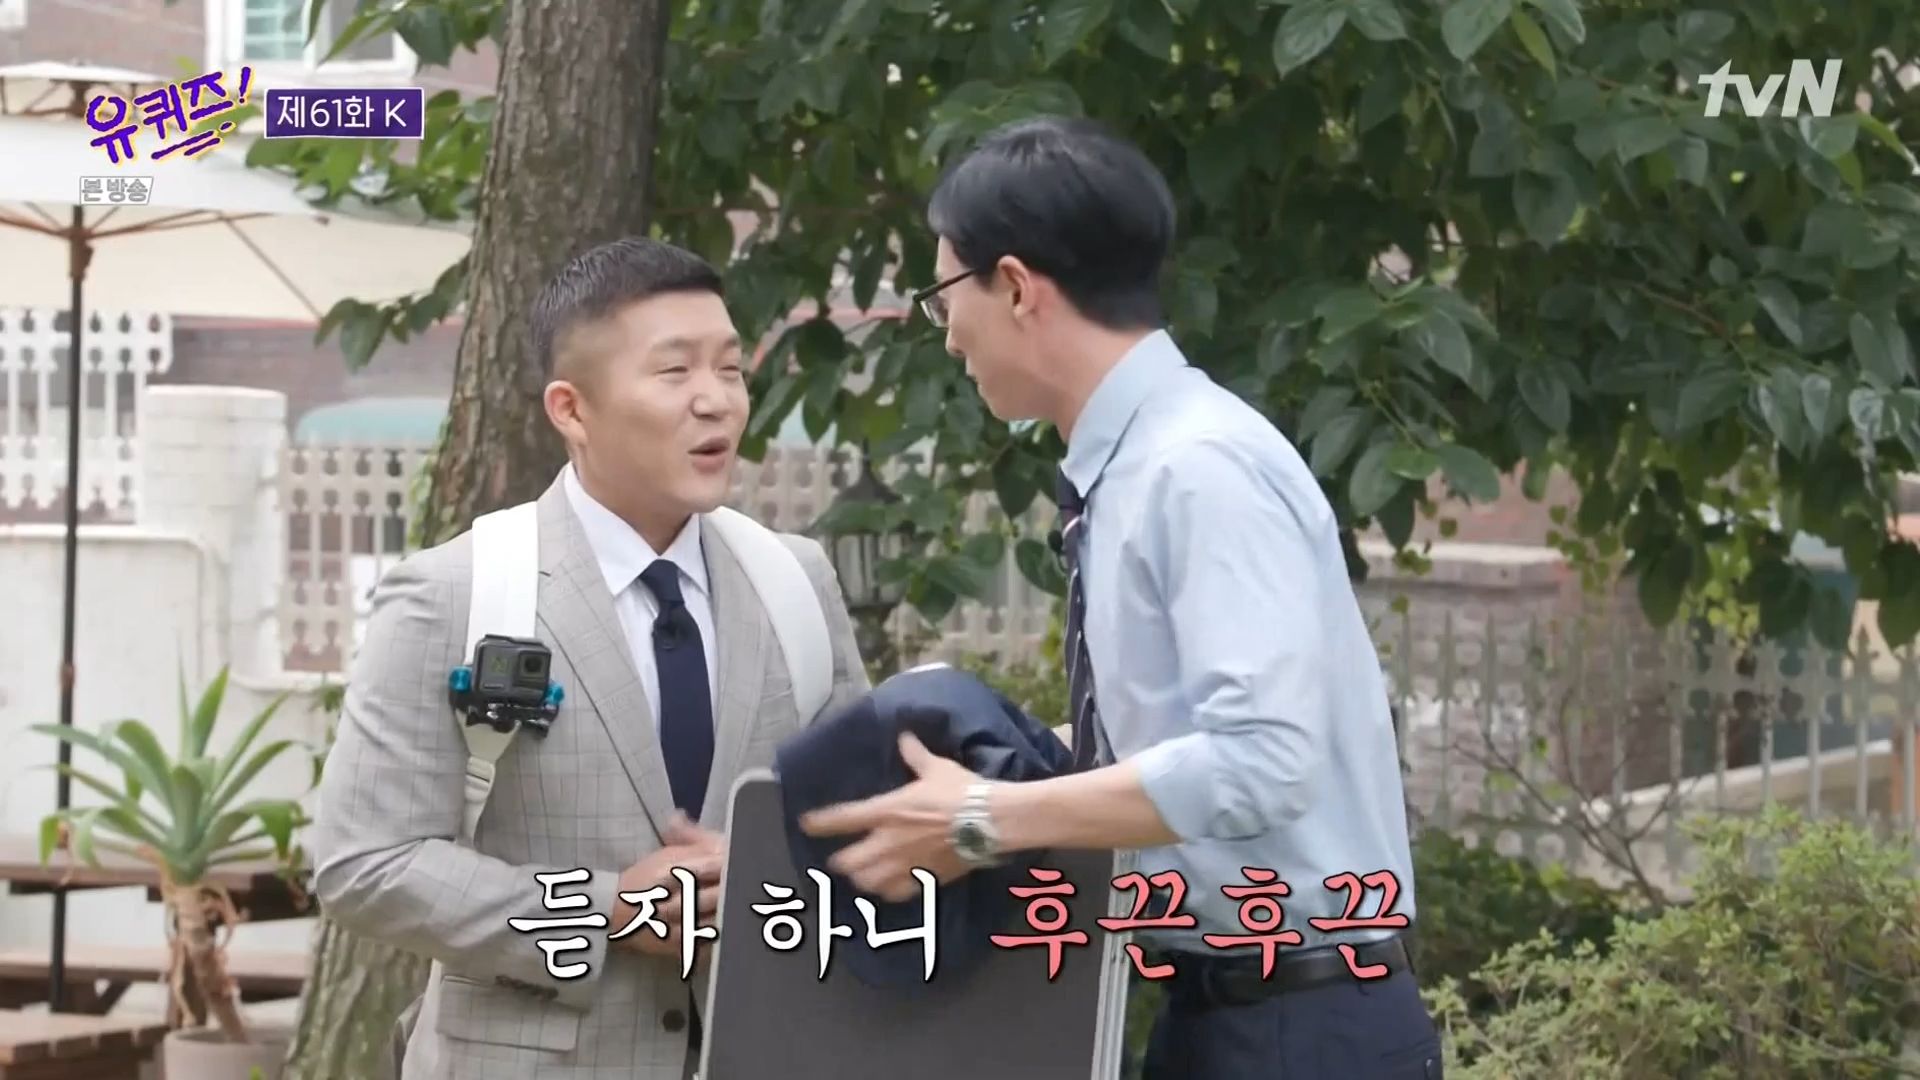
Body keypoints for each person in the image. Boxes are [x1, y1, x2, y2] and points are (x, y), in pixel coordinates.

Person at [801, 116, 1443, 1078]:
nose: (949, 334)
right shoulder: (1138, 467)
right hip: (1228, 1013)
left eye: (943, 297)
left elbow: (1263, 759)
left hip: (1296, 1027)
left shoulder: (1198, 468)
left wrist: (982, 818)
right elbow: (1170, 751)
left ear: (1016, 287)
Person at [311, 237, 870, 1080]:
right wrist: (606, 911)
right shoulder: (454, 593)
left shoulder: (794, 581)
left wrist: (768, 872)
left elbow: (864, 821)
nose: (716, 401)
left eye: (730, 369)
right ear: (571, 410)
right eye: (674, 372)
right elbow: (364, 864)